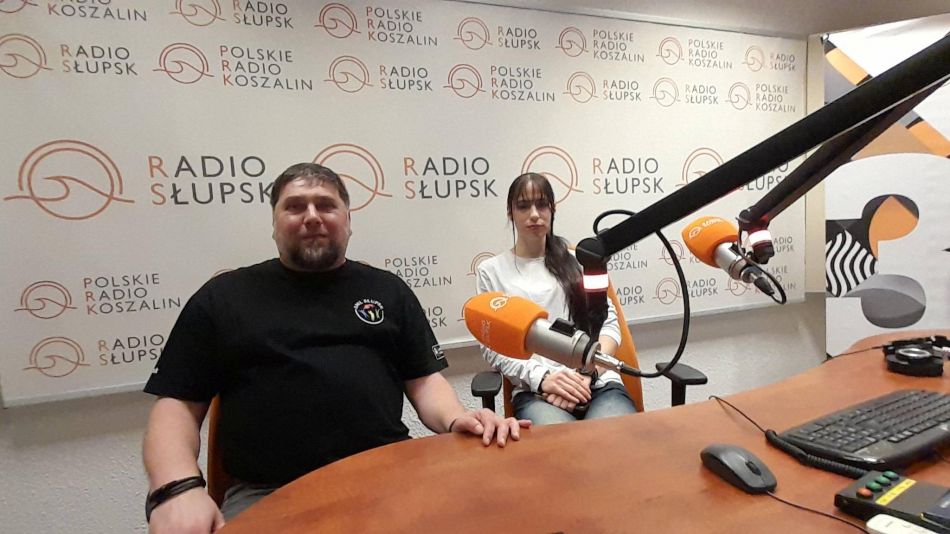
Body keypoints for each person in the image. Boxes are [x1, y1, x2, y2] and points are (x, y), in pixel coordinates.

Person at [142, 163, 530, 533]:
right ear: (274, 223)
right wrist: (176, 489)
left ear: (347, 220)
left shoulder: (388, 290)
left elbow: (424, 381)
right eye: (295, 206)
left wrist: (456, 419)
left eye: (326, 205)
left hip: (391, 477)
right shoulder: (223, 298)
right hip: (271, 493)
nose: (312, 216)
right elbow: (176, 406)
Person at [475, 172, 638, 426]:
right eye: (523, 206)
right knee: (563, 446)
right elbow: (494, 348)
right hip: (537, 391)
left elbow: (608, 324)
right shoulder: (491, 271)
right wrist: (544, 379)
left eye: (542, 205)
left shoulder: (580, 260)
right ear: (510, 213)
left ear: (552, 210)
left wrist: (588, 373)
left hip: (597, 384)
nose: (534, 214)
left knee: (613, 439)